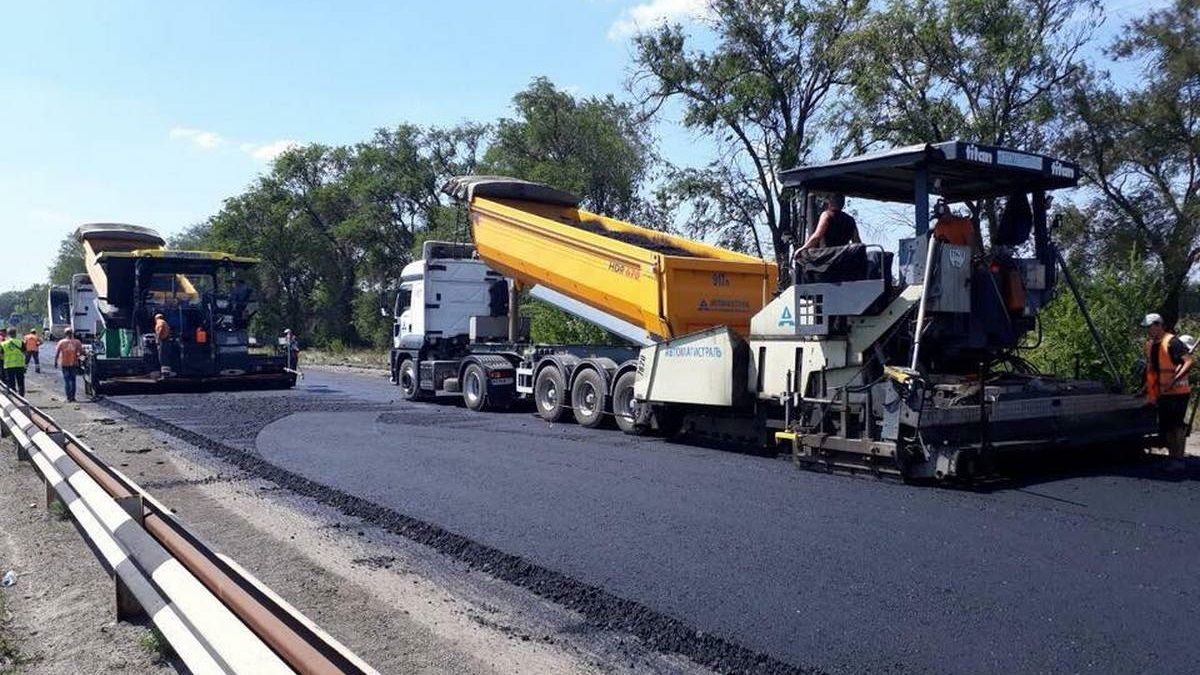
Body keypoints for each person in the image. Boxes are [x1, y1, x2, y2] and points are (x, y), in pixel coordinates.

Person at [1142, 313, 1193, 470]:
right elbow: (1152, 370)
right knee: (1168, 426)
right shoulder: (1150, 344)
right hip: (1162, 392)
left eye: (1149, 327)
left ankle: (1178, 459)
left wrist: (1174, 380)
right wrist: (1146, 389)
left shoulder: (1172, 342)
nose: (1147, 331)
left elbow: (1189, 362)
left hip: (1178, 392)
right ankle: (1172, 457)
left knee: (1177, 426)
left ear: (1158, 325)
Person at [797, 194, 861, 253]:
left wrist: (803, 248)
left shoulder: (827, 215)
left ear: (831, 202)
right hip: (843, 257)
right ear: (843, 203)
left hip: (828, 258)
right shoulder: (850, 219)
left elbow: (817, 236)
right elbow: (857, 241)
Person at [54, 328, 84, 402]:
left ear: (65, 334)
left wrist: (55, 362)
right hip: (74, 363)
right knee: (73, 381)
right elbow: (81, 352)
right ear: (72, 333)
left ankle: (68, 398)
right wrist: (80, 357)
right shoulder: (77, 342)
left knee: (67, 381)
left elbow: (57, 353)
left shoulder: (61, 342)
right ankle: (73, 397)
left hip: (65, 364)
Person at [1, 327, 27, 396]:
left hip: (8, 366)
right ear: (15, 334)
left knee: (10, 383)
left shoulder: (3, 344)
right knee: (21, 383)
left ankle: (13, 396)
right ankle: (21, 396)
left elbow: (1, 354)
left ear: (7, 334)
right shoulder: (20, 342)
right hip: (19, 365)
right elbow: (25, 353)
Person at [154, 312, 173, 377]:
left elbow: (160, 329)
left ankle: (164, 372)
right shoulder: (165, 322)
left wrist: (158, 338)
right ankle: (166, 371)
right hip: (166, 339)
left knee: (162, 355)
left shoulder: (160, 322)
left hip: (163, 340)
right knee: (165, 354)